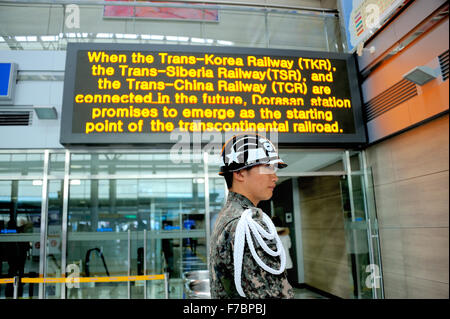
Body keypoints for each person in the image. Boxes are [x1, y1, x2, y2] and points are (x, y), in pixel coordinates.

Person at [209, 133, 294, 299]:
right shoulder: (246, 224)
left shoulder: (229, 215)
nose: (275, 177)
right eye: (267, 167)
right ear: (240, 173)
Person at [271, 216, 294, 284]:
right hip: (286, 260)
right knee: (286, 280)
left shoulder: (270, 233)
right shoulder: (285, 232)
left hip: (275, 260)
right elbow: (289, 245)